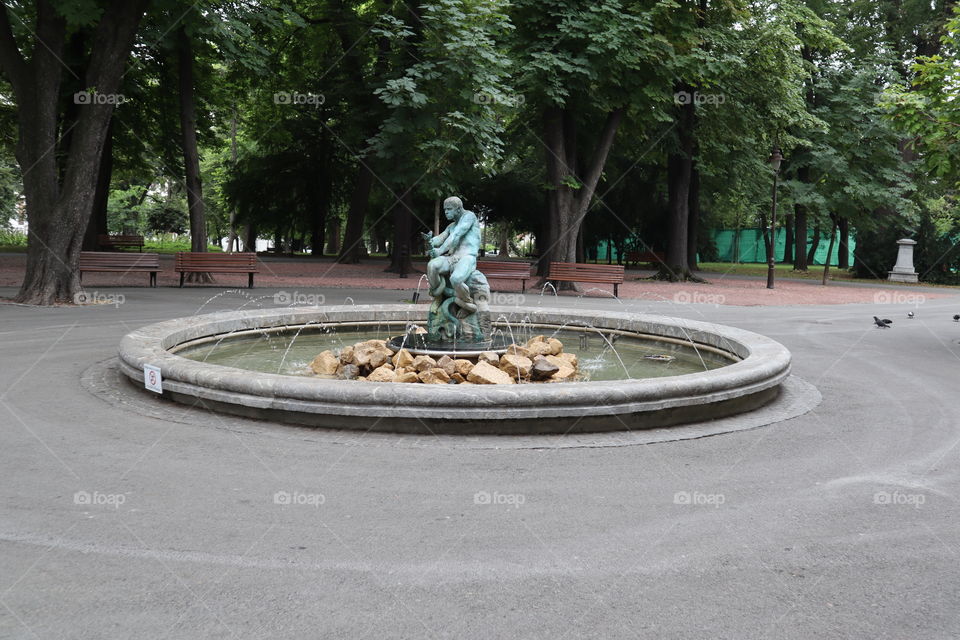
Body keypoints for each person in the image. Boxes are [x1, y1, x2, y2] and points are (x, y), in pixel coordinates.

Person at [423, 196, 481, 306]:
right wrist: (430, 240)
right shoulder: (452, 226)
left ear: (458, 209)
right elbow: (440, 238)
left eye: (449, 209)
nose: (446, 212)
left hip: (467, 257)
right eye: (445, 209)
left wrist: (439, 251)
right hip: (452, 257)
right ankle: (439, 295)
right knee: (432, 266)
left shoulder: (469, 217)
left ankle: (467, 303)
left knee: (456, 279)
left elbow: (456, 235)